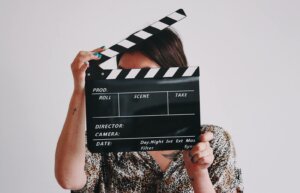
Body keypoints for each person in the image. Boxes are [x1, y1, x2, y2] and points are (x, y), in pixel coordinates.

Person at [55, 28, 243, 193]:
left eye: (143, 75)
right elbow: (68, 179)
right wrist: (80, 90)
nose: (129, 87)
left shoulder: (211, 142)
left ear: (174, 77)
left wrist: (199, 173)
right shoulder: (104, 138)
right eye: (122, 74)